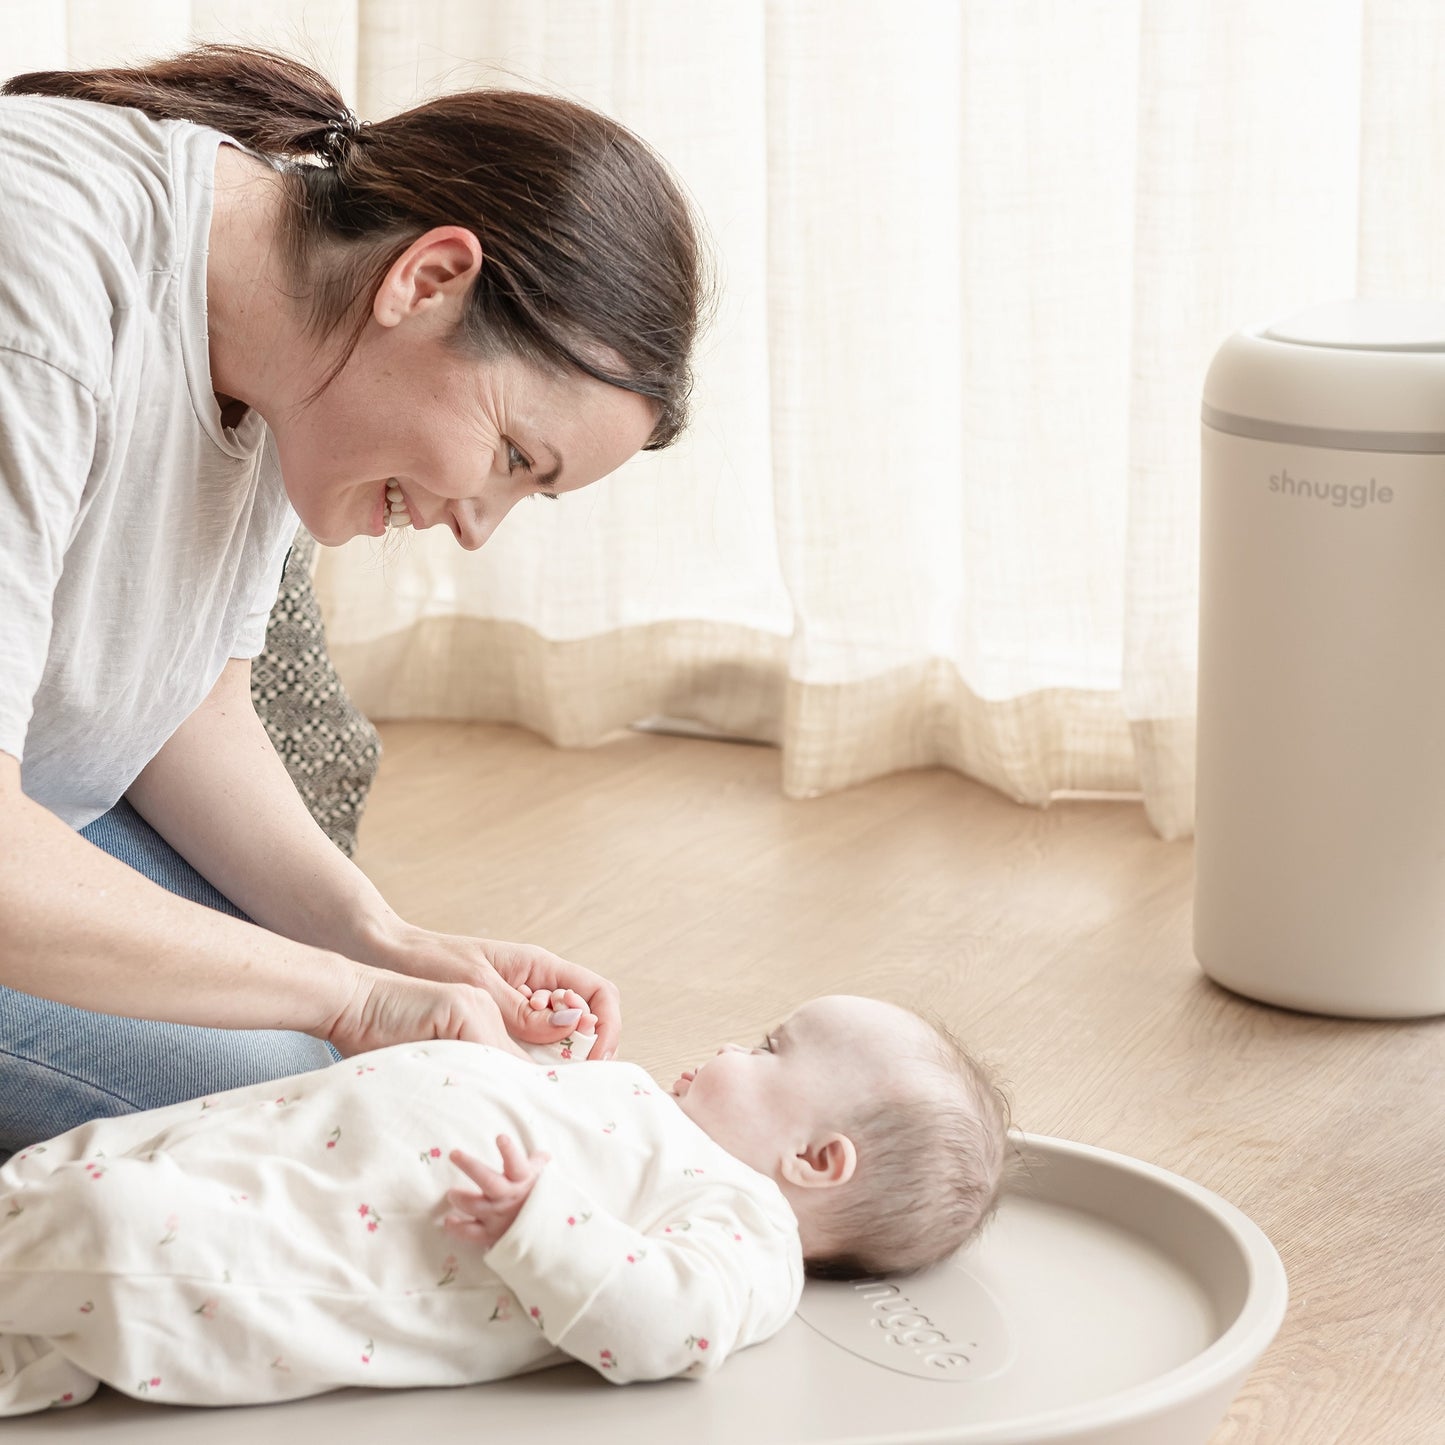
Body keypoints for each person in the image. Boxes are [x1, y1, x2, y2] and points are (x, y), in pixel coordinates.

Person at [0, 44, 710, 1152]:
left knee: (377, 1055)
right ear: (426, 280)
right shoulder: (38, 270)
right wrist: (346, 997)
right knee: (310, 1095)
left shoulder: (293, 349)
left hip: (39, 813)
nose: (477, 523)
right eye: (513, 454)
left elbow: (180, 701)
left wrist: (384, 940)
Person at [0, 994, 1010, 1413]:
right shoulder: (644, 1115)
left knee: (109, 1227)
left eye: (769, 1049)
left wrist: (544, 1229)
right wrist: (539, 1064)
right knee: (82, 1181)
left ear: (817, 1157)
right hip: (277, 1153)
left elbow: (669, 1321)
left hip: (287, 1265)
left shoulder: (745, 1227)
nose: (733, 1047)